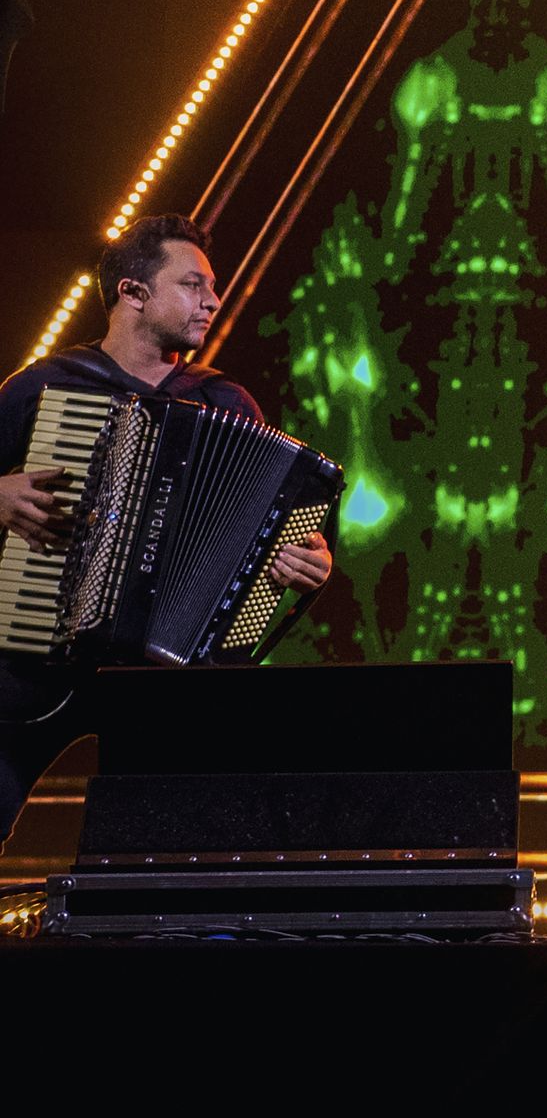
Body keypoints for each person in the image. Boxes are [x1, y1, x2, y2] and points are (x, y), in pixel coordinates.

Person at [0, 215, 335, 833]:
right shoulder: (44, 387)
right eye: (192, 284)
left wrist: (306, 560)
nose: (213, 301)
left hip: (166, 678)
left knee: (178, 836)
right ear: (133, 292)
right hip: (35, 662)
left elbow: (268, 534)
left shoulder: (224, 402)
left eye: (214, 287)